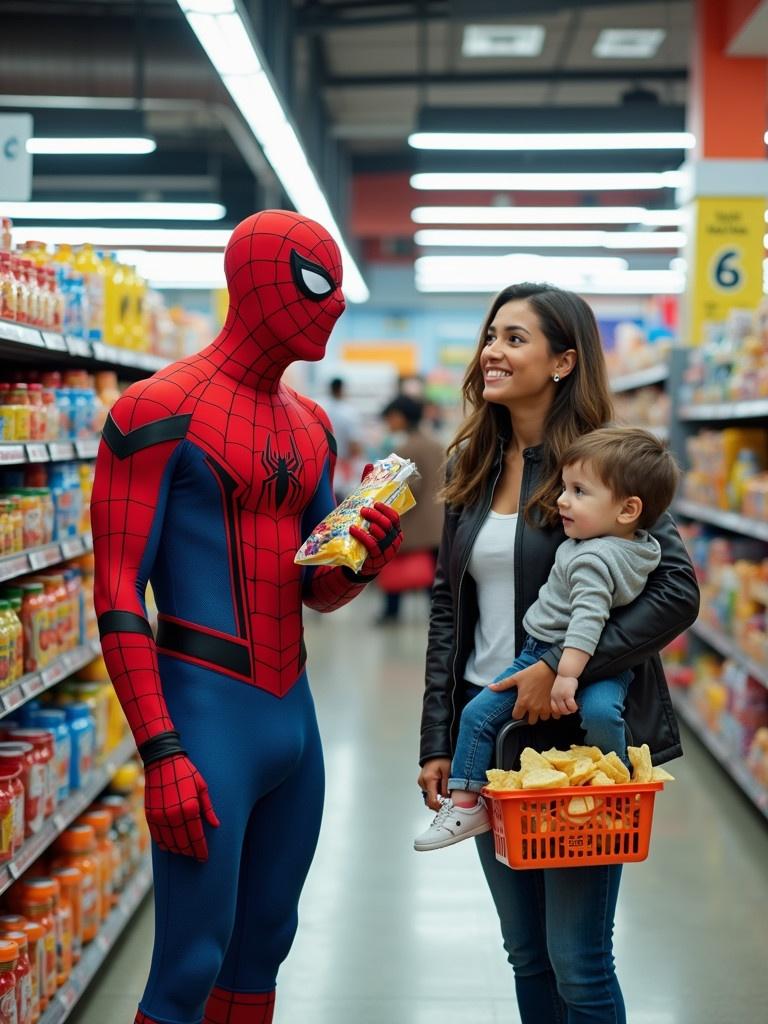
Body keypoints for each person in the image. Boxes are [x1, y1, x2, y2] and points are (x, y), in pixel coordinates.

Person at [91, 210, 403, 1024]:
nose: (335, 304)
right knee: (187, 964)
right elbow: (119, 588)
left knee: (265, 942)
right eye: (315, 281)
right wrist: (161, 750)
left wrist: (361, 558)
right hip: (202, 715)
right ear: (253, 280)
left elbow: (316, 590)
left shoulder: (312, 426)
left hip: (291, 723)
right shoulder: (153, 411)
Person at [417, 282, 699, 1024]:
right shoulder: (472, 464)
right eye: (491, 336)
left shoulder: (604, 464)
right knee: (526, 954)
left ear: (564, 360)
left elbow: (676, 594)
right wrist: (438, 739)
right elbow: (449, 609)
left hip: (575, 745)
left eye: (515, 339)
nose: (492, 352)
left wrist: (560, 668)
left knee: (579, 962)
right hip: (492, 733)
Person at [414, 426, 679, 851]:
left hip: (551, 654)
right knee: (603, 714)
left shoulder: (592, 556)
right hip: (603, 664)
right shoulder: (636, 544)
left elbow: (590, 619)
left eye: (578, 491)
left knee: (480, 714)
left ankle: (466, 803)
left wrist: (563, 670)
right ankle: (613, 786)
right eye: (564, 487)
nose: (561, 500)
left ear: (628, 509)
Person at [376, 394, 445, 624]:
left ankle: (391, 612)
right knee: (434, 576)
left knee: (396, 566)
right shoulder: (436, 443)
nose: (389, 423)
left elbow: (408, 488)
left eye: (390, 417)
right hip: (437, 522)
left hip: (414, 522)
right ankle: (439, 616)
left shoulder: (406, 447)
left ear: (400, 417)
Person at [323, 376, 364, 502]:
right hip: (345, 471)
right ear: (342, 389)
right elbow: (354, 445)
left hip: (324, 468)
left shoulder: (322, 409)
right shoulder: (349, 412)